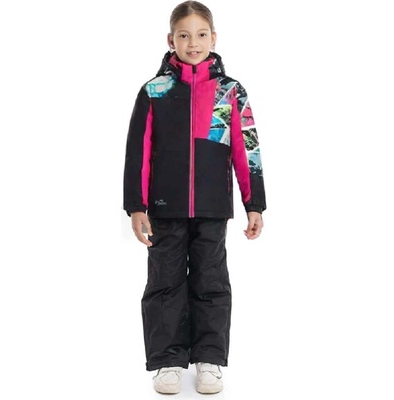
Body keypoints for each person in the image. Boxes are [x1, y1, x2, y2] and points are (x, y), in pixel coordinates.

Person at [123, 0, 266, 394]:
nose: (193, 43)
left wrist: (254, 203)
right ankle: (167, 361)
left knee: (211, 283)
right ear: (171, 40)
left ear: (214, 38)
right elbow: (139, 151)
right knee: (164, 283)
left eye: (201, 34)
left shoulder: (229, 92)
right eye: (184, 35)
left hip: (212, 207)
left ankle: (209, 359)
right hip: (164, 207)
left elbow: (246, 149)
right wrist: (136, 205)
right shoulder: (155, 91)